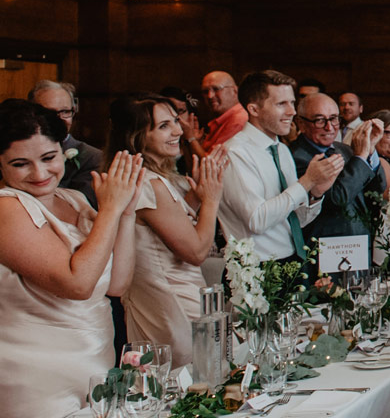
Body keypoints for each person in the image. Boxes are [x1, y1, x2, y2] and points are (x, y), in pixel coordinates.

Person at [0, 99, 144, 418]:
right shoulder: (0, 207)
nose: (39, 174)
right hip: (21, 382)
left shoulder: (73, 200)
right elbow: (77, 284)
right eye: (20, 164)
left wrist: (125, 213)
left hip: (87, 370)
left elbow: (115, 285)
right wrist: (110, 211)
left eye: (49, 158)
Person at [109, 93, 226, 366]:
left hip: (162, 300)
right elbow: (196, 252)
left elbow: (167, 232)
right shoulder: (150, 184)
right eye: (163, 126)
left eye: (175, 121)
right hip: (173, 305)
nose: (178, 130)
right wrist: (211, 200)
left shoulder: (149, 179)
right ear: (136, 137)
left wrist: (196, 198)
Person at [219, 70, 339, 263]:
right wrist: (306, 182)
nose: (292, 111)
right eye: (281, 104)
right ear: (254, 109)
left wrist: (315, 193)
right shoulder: (235, 153)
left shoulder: (281, 149)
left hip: (291, 262)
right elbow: (257, 220)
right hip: (255, 270)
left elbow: (293, 220)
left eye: (292, 103)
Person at [290, 93, 382, 250]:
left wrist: (370, 152)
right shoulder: (295, 156)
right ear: (301, 123)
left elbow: (378, 190)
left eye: (333, 119)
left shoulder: (344, 149)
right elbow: (337, 199)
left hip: (358, 241)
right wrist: (360, 157)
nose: (329, 127)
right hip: (325, 248)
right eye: (320, 120)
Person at [29, 80, 103, 205]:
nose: (59, 120)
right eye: (50, 113)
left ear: (74, 111)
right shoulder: (18, 152)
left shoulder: (92, 157)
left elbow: (82, 205)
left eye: (65, 112)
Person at [199, 71, 248, 154]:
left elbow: (212, 163)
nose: (210, 96)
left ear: (235, 91)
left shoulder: (238, 120)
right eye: (205, 91)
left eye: (216, 89)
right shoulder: (224, 118)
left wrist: (191, 139)